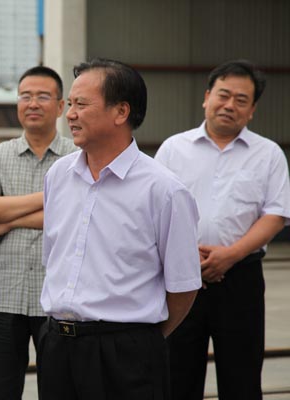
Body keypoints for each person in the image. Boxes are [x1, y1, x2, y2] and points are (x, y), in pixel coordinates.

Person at [39, 58, 202, 399]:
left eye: (81, 104)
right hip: (58, 347)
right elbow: (53, 258)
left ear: (121, 112)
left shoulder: (163, 190)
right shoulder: (58, 176)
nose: (70, 114)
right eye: (70, 104)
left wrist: (138, 339)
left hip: (127, 355)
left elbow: (184, 286)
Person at [154, 60, 290, 400]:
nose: (230, 105)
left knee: (242, 378)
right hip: (181, 278)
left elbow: (276, 214)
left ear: (252, 110)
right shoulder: (173, 149)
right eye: (223, 95)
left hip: (240, 278)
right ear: (207, 97)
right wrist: (186, 254)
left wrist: (230, 255)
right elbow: (153, 209)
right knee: (176, 377)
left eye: (241, 100)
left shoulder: (268, 154)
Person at [0, 65, 77, 399]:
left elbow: (75, 215)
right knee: (2, 392)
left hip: (59, 300)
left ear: (60, 106)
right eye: (25, 96)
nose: (32, 103)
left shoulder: (77, 157)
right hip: (4, 296)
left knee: (59, 392)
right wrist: (50, 197)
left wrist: (10, 219)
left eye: (42, 97)